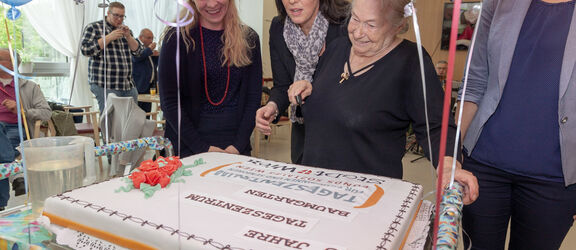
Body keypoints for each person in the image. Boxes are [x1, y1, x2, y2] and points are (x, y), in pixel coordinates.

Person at [287, 0, 478, 203]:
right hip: (313, 190)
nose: (358, 32)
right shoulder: (337, 48)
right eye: (355, 19)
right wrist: (310, 89)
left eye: (371, 25)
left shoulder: (411, 61)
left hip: (367, 200)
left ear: (397, 26)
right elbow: (336, 101)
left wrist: (449, 168)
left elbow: (436, 126)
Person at [457, 0, 576, 249]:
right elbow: (475, 81)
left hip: (555, 179)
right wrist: (453, 152)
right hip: (483, 168)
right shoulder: (499, 3)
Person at [158, 0, 262, 158]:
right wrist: (203, 148)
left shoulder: (249, 38)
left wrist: (238, 146)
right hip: (188, 146)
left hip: (236, 147)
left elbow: (253, 97)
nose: (212, 4)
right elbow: (169, 102)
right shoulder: (176, 38)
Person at [255, 0, 350, 164]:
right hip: (304, 135)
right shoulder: (279, 28)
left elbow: (357, 88)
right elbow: (283, 86)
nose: (292, 1)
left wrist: (314, 89)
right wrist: (273, 106)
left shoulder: (345, 25)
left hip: (343, 136)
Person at [0, 48, 51, 200]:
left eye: (1, 58)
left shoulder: (29, 87)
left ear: (13, 64)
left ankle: (1, 202)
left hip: (17, 128)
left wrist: (21, 110)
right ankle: (16, 174)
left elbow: (46, 112)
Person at [81, 1, 143, 113]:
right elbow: (85, 50)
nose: (119, 19)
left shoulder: (126, 31)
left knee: (131, 120)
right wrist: (108, 38)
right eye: (116, 15)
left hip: (127, 85)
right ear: (108, 14)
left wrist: (128, 37)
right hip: (105, 84)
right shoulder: (94, 27)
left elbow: (138, 52)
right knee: (110, 121)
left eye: (122, 16)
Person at [132, 28, 159, 113]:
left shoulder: (147, 48)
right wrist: (149, 50)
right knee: (138, 113)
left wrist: (156, 56)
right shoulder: (135, 44)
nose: (151, 41)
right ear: (141, 37)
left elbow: (152, 66)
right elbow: (137, 58)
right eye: (148, 38)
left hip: (149, 85)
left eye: (152, 38)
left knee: (147, 112)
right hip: (139, 84)